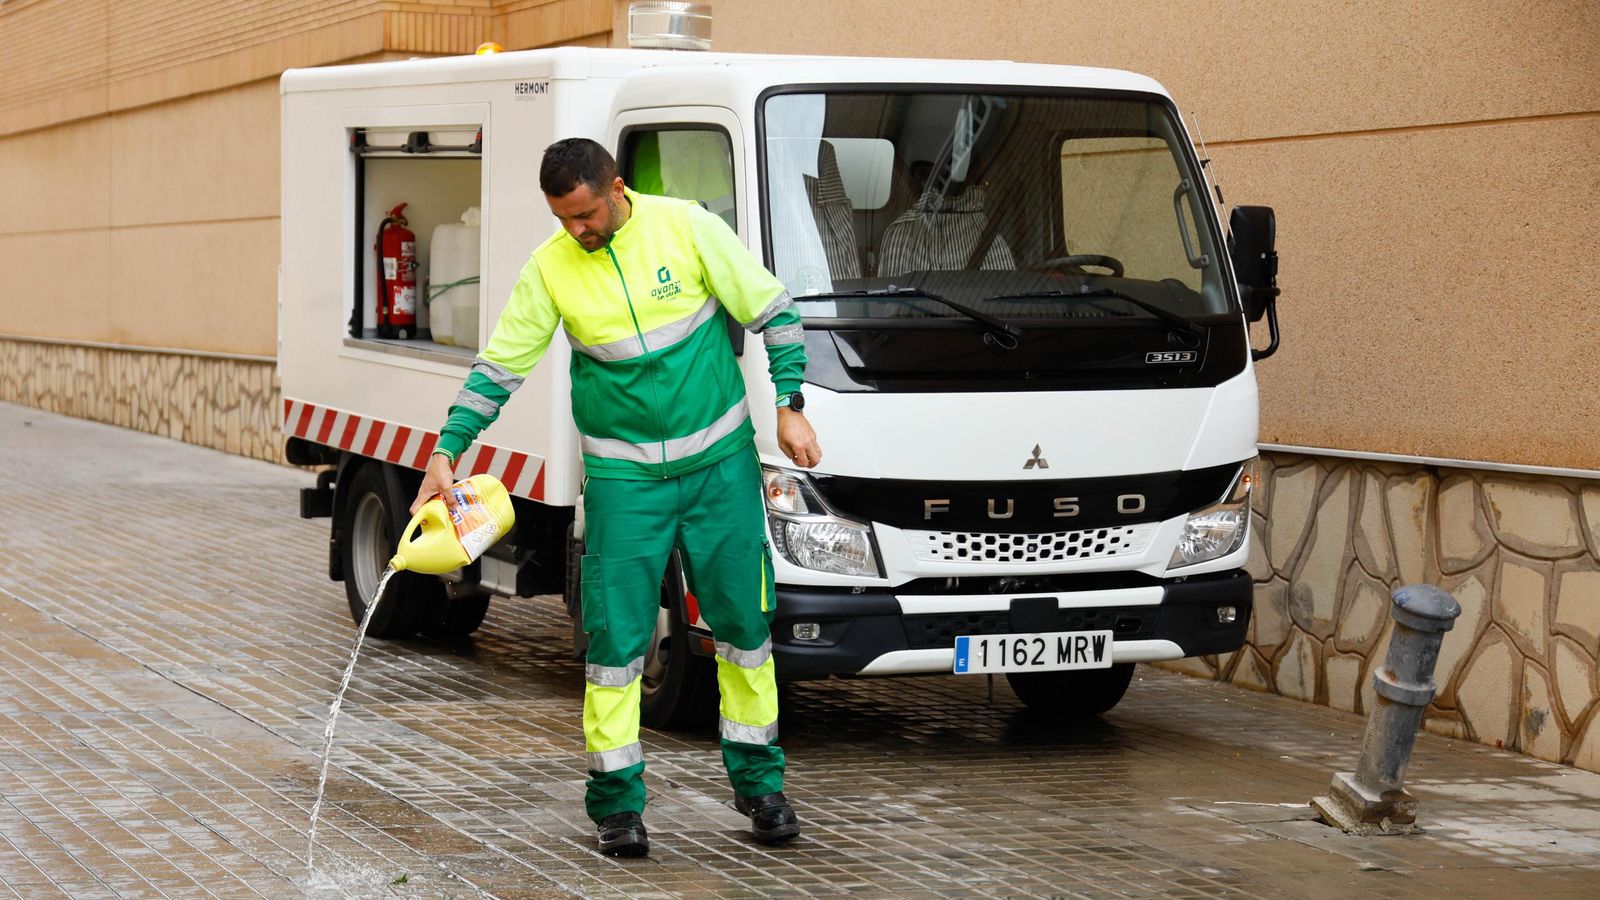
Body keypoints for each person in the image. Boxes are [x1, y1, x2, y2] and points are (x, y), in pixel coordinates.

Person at [411, 138, 822, 857]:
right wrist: (448, 446)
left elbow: (774, 311)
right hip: (625, 486)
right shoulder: (550, 268)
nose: (577, 231)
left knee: (744, 632)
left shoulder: (687, 226)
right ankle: (617, 808)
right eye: (562, 218)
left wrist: (790, 402)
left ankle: (762, 788)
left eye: (585, 214)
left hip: (718, 469)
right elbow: (500, 367)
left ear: (617, 188)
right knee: (615, 646)